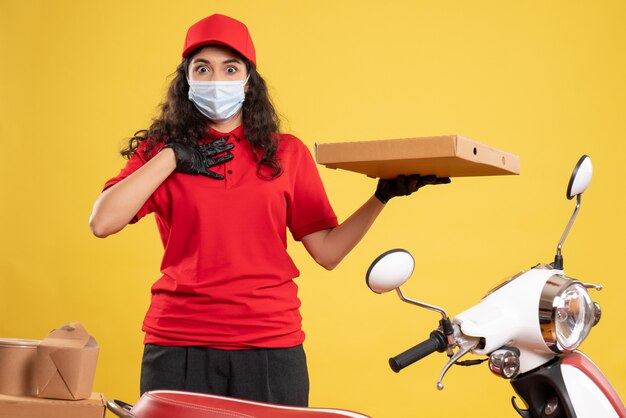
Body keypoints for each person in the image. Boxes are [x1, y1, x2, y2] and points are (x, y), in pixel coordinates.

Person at [89, 13, 450, 407]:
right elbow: (103, 222)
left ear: (248, 80)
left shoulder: (286, 153)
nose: (216, 80)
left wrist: (382, 196)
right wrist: (172, 156)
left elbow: (327, 253)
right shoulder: (160, 153)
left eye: (230, 69)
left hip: (270, 343)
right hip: (180, 341)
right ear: (186, 80)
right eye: (202, 69)